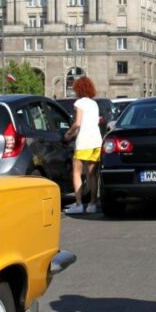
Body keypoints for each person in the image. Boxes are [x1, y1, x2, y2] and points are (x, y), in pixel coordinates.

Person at [64, 76, 103, 214]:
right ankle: (92, 204)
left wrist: (68, 134)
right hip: (97, 141)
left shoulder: (79, 103)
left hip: (84, 141)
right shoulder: (94, 104)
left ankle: (79, 203)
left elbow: (78, 123)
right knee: (93, 174)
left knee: (77, 172)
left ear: (78, 89)